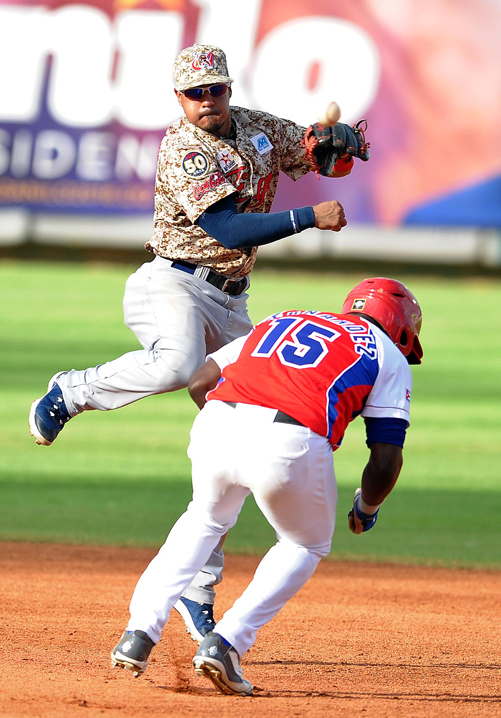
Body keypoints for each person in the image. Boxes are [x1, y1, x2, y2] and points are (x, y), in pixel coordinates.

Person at [28, 44, 361, 642]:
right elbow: (228, 227)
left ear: (229, 89)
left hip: (232, 299)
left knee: (237, 435)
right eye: (195, 93)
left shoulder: (254, 125)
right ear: (178, 99)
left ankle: (196, 588)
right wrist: (311, 215)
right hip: (173, 282)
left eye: (216, 90)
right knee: (179, 363)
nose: (207, 102)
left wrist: (336, 146)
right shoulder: (184, 148)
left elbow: (309, 149)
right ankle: (73, 392)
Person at [109, 277, 423, 696]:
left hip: (217, 421)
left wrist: (234, 425)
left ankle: (137, 634)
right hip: (291, 440)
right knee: (304, 545)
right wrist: (365, 509)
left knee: (204, 518)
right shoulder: (387, 355)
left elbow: (201, 381)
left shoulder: (284, 318)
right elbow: (385, 459)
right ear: (403, 329)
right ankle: (226, 643)